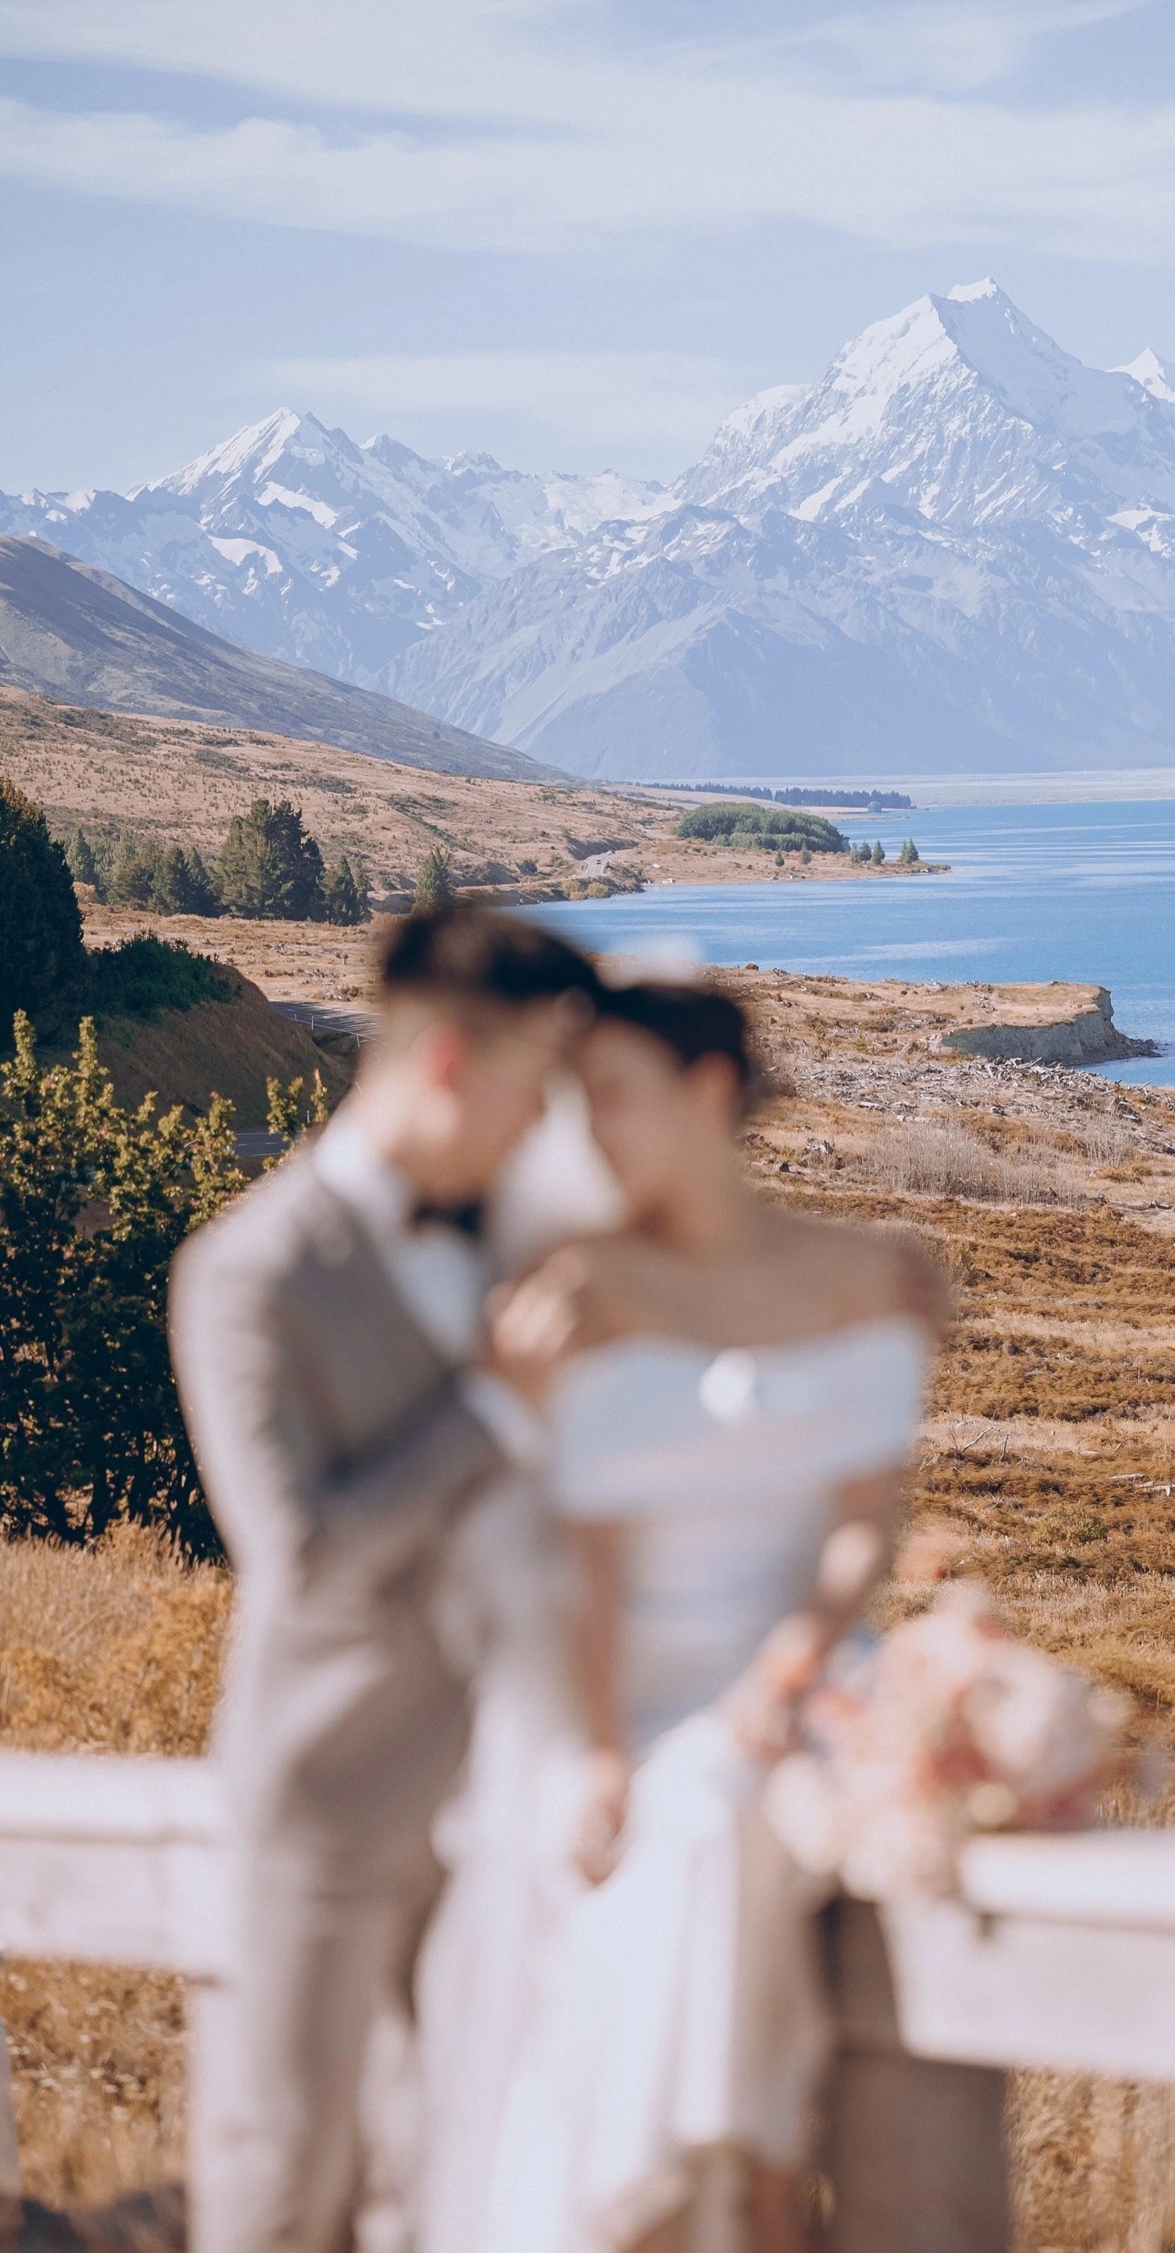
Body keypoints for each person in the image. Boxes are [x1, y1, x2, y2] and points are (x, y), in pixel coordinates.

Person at [419, 979, 949, 2253]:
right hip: (625, 1684)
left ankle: (710, 2188)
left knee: (718, 1803)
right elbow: (586, 1553)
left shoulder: (858, 1274)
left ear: (710, 1091)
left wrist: (787, 1664)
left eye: (614, 1098)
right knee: (657, 1819)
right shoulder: (575, 1287)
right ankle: (714, 2189)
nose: (590, 1132)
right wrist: (603, 1745)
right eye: (576, 1105)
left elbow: (861, 1522)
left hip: (800, 1672)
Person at [169, 904, 601, 2253]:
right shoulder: (250, 1274)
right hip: (330, 1808)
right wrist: (492, 1404)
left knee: (456, 2190)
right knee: (284, 2179)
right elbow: (301, 1564)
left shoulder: (517, 1241)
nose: (546, 1126)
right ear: (458, 1066)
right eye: (538, 1085)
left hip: (509, 1809)